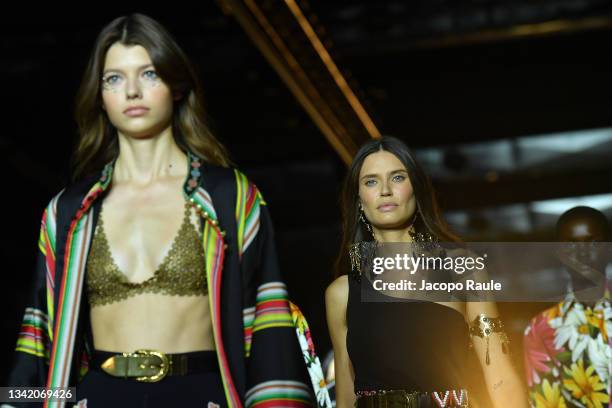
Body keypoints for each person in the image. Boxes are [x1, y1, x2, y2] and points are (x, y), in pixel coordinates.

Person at [4, 13, 330, 408]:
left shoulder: (229, 197)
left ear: (175, 85)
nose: (132, 91)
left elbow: (270, 327)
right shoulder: (68, 213)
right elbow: (37, 343)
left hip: (201, 396)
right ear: (100, 96)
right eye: (114, 78)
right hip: (100, 397)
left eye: (149, 73)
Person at [325, 136, 528, 407]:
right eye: (371, 181)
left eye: (397, 178)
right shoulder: (341, 293)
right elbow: (346, 395)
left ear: (416, 189)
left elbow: (498, 371)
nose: (385, 190)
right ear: (359, 199)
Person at [523, 206, 611, 407]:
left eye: (593, 242)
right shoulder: (541, 329)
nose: (582, 253)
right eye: (571, 245)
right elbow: (545, 402)